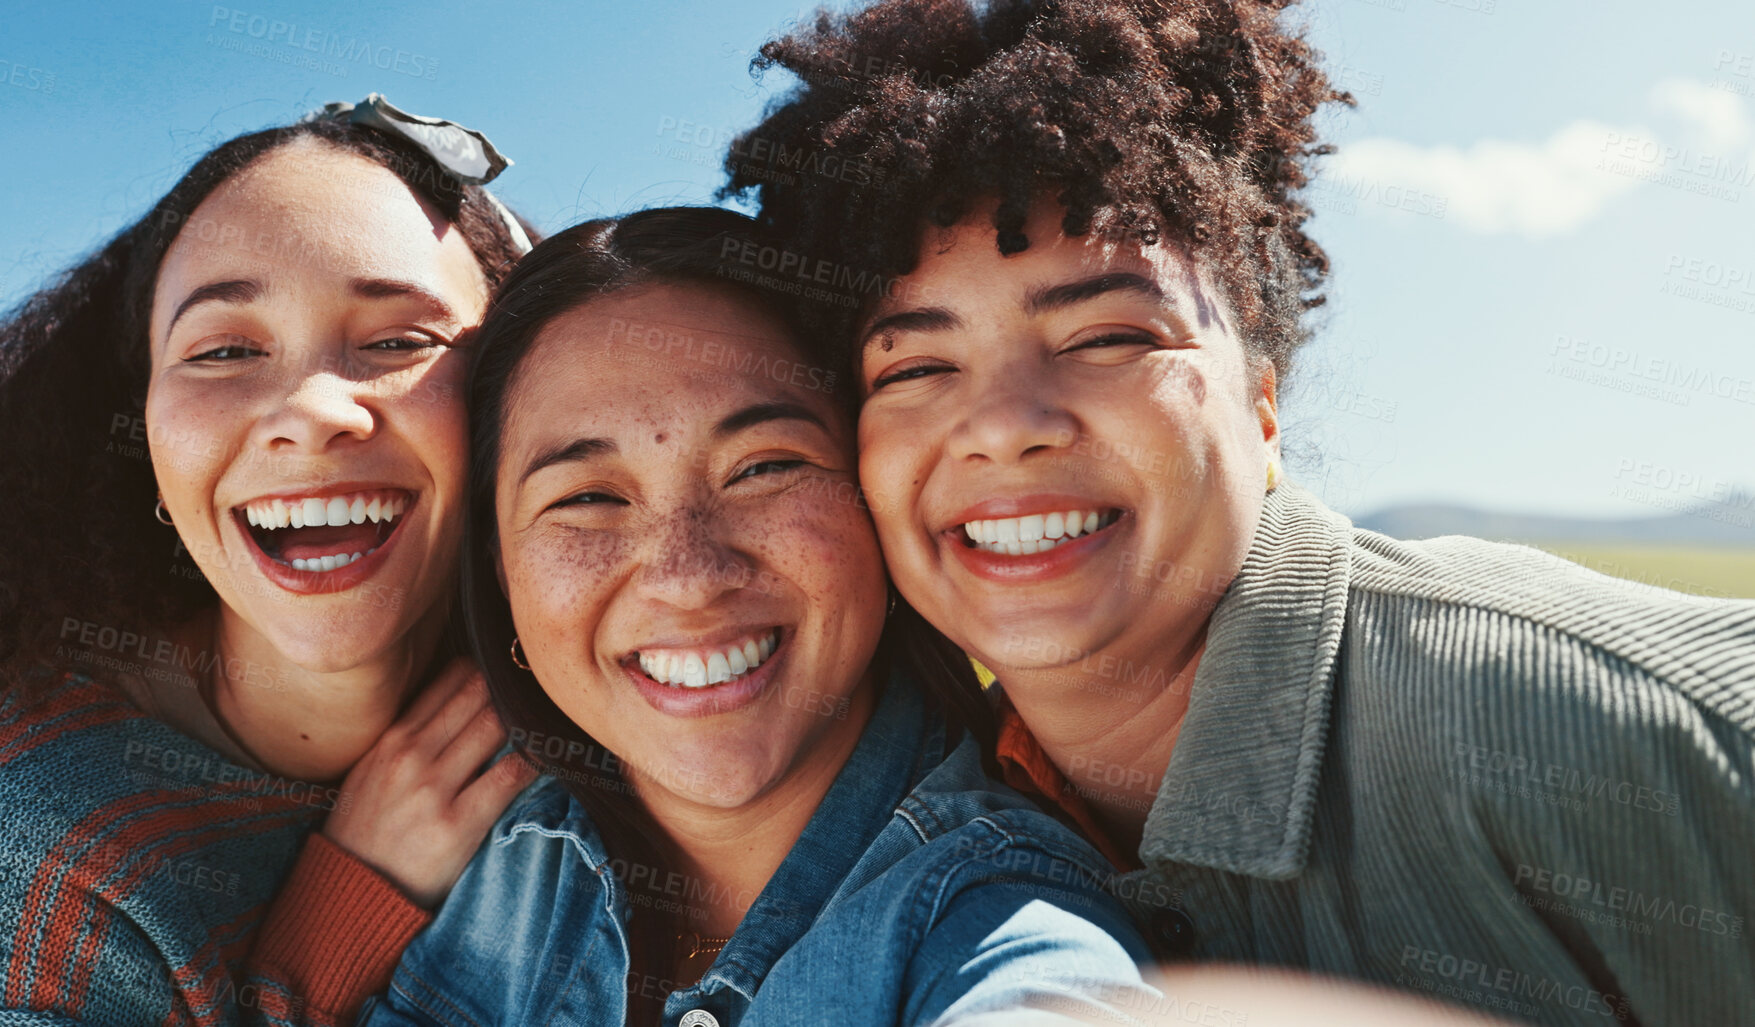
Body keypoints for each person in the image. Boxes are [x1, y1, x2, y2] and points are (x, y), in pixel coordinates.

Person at [722, 2, 1755, 1024]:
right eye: (920, 364)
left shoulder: (1603, 730)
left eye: (1108, 338)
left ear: (1263, 402)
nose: (1003, 427)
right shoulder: (895, 798)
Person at [0, 96, 536, 1025]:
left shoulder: (602, 698)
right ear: (145, 442)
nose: (311, 409)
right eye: (225, 350)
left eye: (399, 340)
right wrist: (343, 915)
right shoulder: (26, 832)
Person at [361, 206, 1158, 1027]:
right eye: (588, 498)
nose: (688, 576)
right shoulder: (489, 859)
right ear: (499, 570)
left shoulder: (997, 912)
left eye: (764, 467)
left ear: (872, 498)